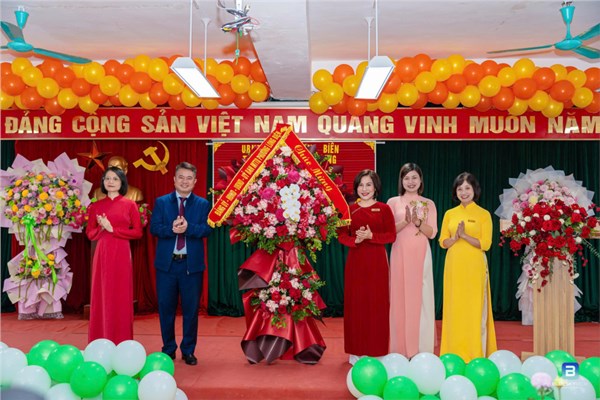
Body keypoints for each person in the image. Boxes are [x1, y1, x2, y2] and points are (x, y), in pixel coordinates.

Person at [150, 162, 212, 366]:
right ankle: (168, 349)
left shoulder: (203, 204)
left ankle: (188, 350)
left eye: (189, 178)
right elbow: (154, 228)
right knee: (165, 309)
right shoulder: (162, 202)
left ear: (195, 181)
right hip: (166, 266)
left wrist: (188, 228)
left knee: (191, 310)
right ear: (174, 179)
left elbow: (207, 230)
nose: (185, 181)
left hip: (191, 266)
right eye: (181, 177)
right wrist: (171, 229)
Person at [337, 169, 396, 362]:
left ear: (376, 187)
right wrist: (355, 240)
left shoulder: (384, 209)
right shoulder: (350, 209)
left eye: (368, 184)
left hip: (377, 263)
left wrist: (371, 236)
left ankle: (377, 351)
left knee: (377, 305)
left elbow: (391, 236)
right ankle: (356, 351)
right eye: (361, 185)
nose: (364, 189)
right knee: (356, 305)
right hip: (356, 262)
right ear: (356, 188)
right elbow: (341, 235)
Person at [438, 172, 497, 362]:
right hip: (453, 266)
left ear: (474, 190)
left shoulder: (483, 214)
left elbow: (486, 244)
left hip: (474, 267)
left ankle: (475, 353)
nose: (463, 192)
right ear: (455, 192)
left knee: (473, 310)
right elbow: (442, 242)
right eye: (460, 189)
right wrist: (455, 238)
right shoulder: (450, 214)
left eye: (467, 188)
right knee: (454, 309)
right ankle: (452, 352)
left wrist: (464, 236)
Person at [86, 166, 143, 344]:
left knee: (121, 294)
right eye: (107, 178)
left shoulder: (130, 205)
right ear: (103, 182)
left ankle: (122, 340)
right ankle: (99, 340)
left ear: (122, 182)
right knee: (101, 294)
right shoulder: (96, 206)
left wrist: (113, 229)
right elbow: (90, 234)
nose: (110, 182)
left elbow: (138, 232)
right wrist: (101, 228)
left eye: (115, 179)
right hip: (102, 253)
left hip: (121, 253)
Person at [387, 163, 438, 358]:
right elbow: (388, 232)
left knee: (422, 298)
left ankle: (420, 348)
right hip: (400, 253)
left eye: (414, 177)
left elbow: (432, 233)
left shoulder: (428, 203)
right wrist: (405, 222)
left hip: (421, 253)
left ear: (420, 180)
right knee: (399, 297)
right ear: (401, 181)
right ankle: (399, 347)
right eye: (406, 178)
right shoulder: (393, 202)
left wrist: (417, 222)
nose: (411, 182)